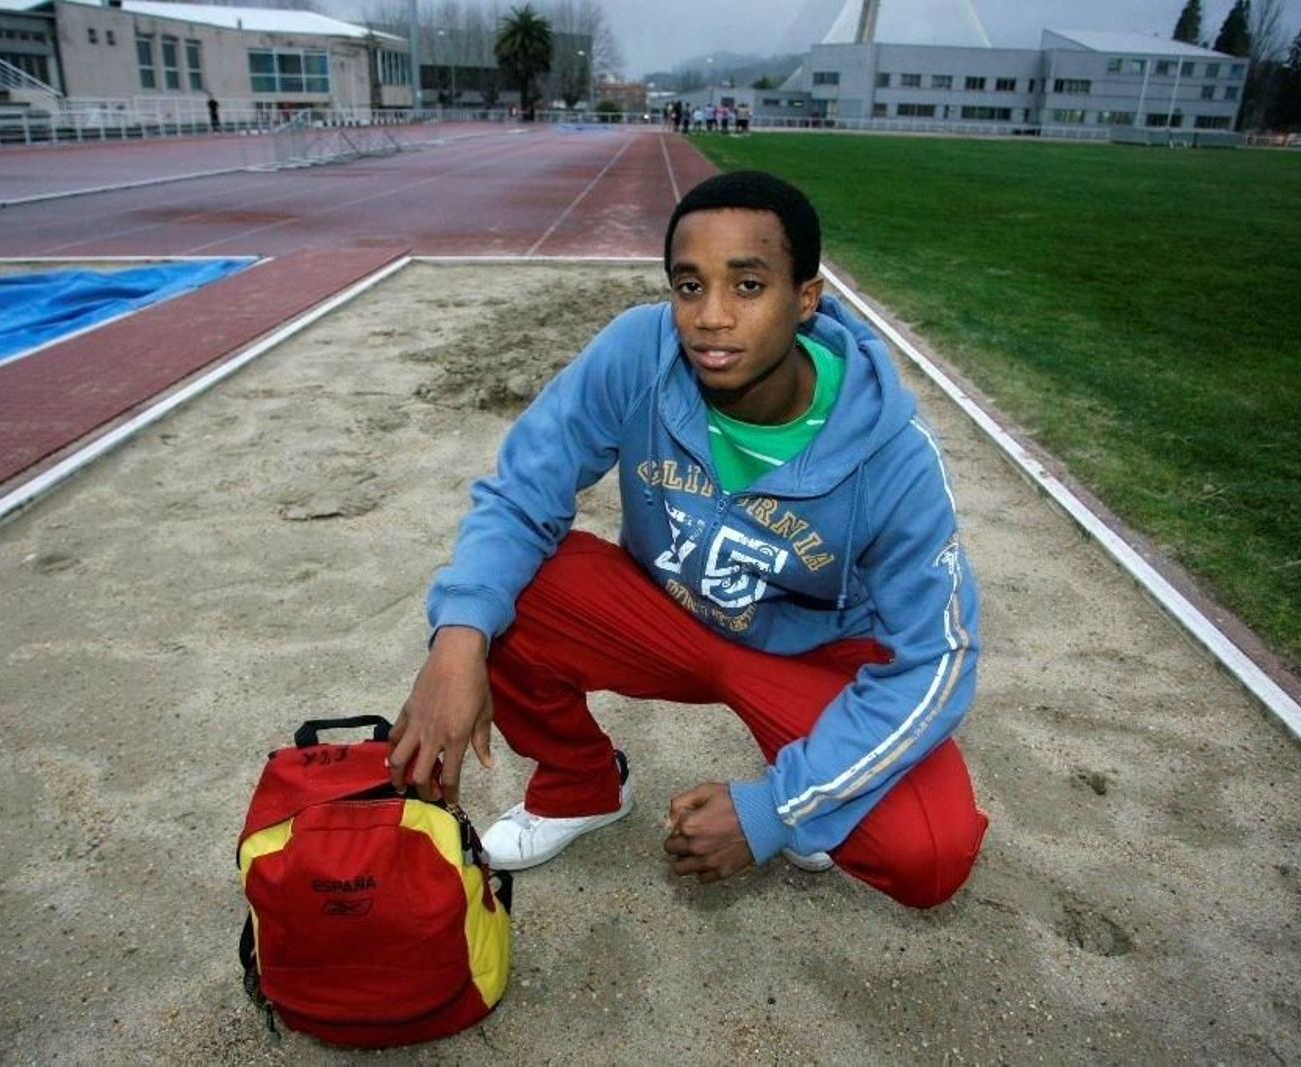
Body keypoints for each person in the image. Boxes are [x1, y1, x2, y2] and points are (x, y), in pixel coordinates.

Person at [388, 171, 988, 909]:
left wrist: (777, 808)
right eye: (688, 285)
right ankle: (582, 786)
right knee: (506, 595)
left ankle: (809, 781)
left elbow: (938, 657)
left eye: (746, 286)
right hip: (668, 616)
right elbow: (521, 492)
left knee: (928, 850)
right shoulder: (639, 352)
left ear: (806, 297)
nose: (709, 317)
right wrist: (456, 640)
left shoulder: (891, 452)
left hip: (814, 657)